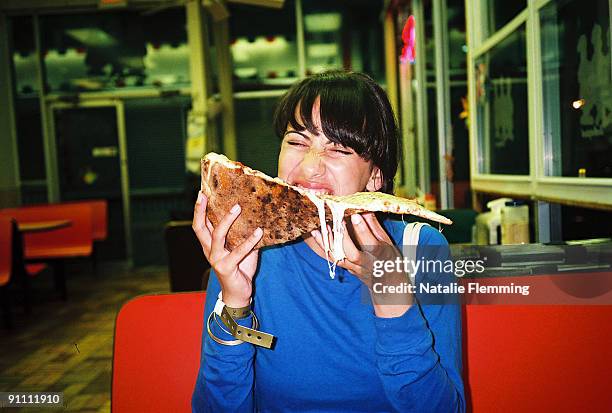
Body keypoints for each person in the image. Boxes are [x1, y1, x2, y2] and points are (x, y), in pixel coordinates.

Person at [192, 71, 465, 412]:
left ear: (375, 175)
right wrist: (236, 301)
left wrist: (395, 304)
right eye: (297, 141)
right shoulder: (247, 249)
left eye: (338, 148)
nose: (310, 168)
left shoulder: (420, 250)